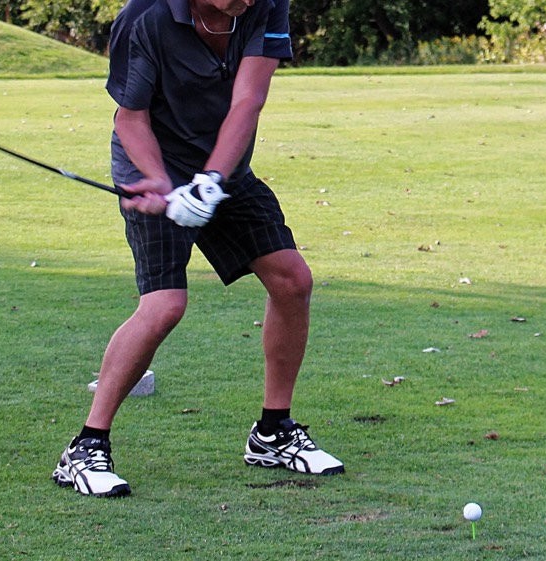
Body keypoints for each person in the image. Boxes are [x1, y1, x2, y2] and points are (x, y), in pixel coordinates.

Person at [52, 0, 344, 498]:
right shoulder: (143, 18)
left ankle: (272, 434)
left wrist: (210, 181)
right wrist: (158, 180)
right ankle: (85, 447)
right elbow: (130, 118)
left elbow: (248, 101)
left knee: (292, 280)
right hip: (155, 163)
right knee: (164, 305)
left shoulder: (266, 3)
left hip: (224, 169)